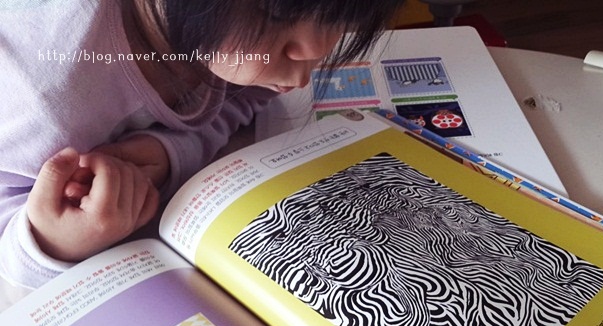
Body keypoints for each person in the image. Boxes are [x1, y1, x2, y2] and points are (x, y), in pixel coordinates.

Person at [0, 0, 405, 288]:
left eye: (339, 15)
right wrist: (51, 242)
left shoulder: (237, 46)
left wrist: (170, 151)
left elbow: (244, 97)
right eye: (277, 12)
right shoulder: (45, 98)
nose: (317, 49)